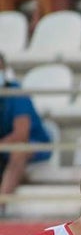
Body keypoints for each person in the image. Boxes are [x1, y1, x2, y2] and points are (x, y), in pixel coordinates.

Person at [0, 52, 53, 208]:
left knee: (19, 150)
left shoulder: (17, 93)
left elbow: (21, 135)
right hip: (4, 147)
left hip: (35, 144)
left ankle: (2, 205)